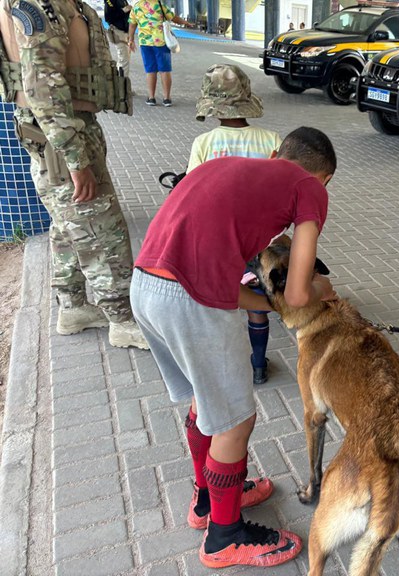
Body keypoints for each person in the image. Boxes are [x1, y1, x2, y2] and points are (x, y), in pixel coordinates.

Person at [130, 127, 338, 569]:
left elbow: (223, 279)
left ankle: (208, 498)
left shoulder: (224, 167)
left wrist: (267, 304)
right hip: (189, 302)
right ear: (324, 179)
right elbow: (300, 294)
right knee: (235, 420)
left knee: (206, 403)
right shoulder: (308, 188)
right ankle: (224, 536)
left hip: (146, 287)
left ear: (277, 152)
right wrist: (326, 290)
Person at [1, 0, 148, 349]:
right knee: (103, 230)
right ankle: (122, 320)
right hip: (62, 137)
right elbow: (42, 88)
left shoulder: (63, 4)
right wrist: (76, 159)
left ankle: (73, 307)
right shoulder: (37, 5)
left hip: (69, 130)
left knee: (69, 226)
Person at [188, 63, 283, 384]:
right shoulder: (271, 139)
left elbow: (192, 195)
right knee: (257, 305)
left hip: (218, 242)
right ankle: (258, 365)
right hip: (262, 244)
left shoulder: (204, 144)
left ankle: (226, 370)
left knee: (220, 305)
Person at [127, 0, 193, 107]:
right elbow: (174, 18)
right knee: (165, 70)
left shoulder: (137, 7)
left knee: (150, 70)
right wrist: (184, 22)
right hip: (161, 42)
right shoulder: (160, 5)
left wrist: (130, 39)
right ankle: (166, 98)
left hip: (145, 43)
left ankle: (151, 97)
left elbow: (132, 25)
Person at [104, 0, 132, 77]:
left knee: (124, 58)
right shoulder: (110, 1)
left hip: (125, 31)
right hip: (118, 31)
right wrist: (124, 10)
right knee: (124, 59)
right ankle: (123, 84)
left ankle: (120, 82)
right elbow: (108, 17)